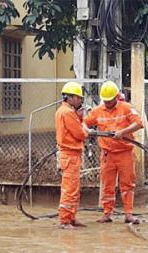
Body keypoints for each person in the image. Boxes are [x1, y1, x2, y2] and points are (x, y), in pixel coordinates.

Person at [84, 80, 143, 224]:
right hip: (107, 154)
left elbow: (139, 123)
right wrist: (87, 130)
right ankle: (107, 213)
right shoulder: (98, 110)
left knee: (127, 184)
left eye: (110, 100)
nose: (108, 103)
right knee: (107, 185)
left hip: (125, 153)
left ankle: (128, 213)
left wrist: (123, 132)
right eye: (106, 101)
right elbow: (84, 122)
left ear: (117, 97)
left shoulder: (126, 108)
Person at [55, 82, 89, 229]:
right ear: (70, 97)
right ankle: (65, 220)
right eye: (78, 98)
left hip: (71, 154)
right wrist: (86, 129)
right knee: (69, 190)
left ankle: (71, 217)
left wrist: (80, 119)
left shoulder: (64, 111)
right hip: (70, 154)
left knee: (73, 189)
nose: (80, 101)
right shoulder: (68, 113)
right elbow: (80, 134)